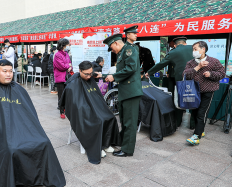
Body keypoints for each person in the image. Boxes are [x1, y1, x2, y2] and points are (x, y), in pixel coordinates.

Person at [0, 59, 66, 187]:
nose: (9, 74)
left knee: (44, 143)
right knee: (10, 148)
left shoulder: (19, 90)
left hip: (22, 131)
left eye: (11, 71)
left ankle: (39, 177)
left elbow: (31, 117)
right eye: (4, 71)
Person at [59, 61, 122, 163]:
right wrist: (87, 110)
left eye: (90, 73)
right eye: (86, 74)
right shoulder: (73, 83)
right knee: (98, 121)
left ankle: (106, 144)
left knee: (110, 117)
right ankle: (98, 147)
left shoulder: (90, 79)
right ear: (80, 71)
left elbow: (96, 97)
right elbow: (75, 104)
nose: (89, 76)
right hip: (82, 111)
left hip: (94, 108)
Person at [102, 26, 143, 157]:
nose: (112, 51)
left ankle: (127, 150)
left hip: (131, 91)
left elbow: (131, 68)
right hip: (126, 91)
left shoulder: (129, 49)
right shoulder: (122, 52)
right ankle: (122, 142)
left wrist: (114, 76)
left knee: (130, 122)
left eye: (112, 48)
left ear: (115, 43)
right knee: (125, 120)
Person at [183, 41, 225, 145]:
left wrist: (211, 74)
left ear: (203, 49)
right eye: (193, 49)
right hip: (193, 91)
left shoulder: (214, 61)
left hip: (208, 91)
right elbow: (186, 75)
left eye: (195, 49)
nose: (194, 51)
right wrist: (198, 67)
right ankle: (200, 131)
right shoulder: (191, 63)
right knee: (195, 112)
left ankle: (196, 136)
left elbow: (222, 74)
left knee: (202, 113)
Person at [145, 36, 193, 127]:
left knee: (179, 101)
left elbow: (161, 64)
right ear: (185, 43)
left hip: (180, 79)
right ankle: (193, 125)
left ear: (175, 45)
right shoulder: (193, 48)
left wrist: (149, 72)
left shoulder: (173, 52)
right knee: (194, 100)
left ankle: (177, 122)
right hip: (195, 79)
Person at [54, 38, 72, 119]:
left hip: (67, 77)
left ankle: (66, 109)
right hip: (60, 78)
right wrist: (68, 66)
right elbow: (61, 66)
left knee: (68, 95)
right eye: (68, 44)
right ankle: (62, 111)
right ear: (64, 45)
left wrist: (69, 67)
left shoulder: (66, 53)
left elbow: (69, 63)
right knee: (61, 95)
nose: (69, 46)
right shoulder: (57, 55)